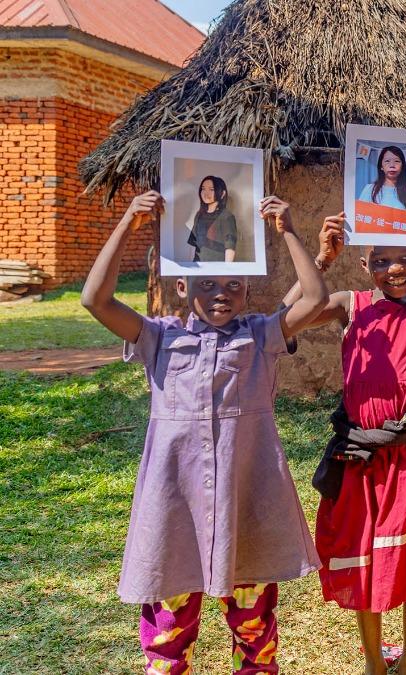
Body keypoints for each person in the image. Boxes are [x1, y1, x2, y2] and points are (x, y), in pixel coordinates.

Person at [81, 191, 328, 673]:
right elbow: (96, 299)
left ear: (247, 289)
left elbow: (316, 298)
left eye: (234, 284)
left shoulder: (258, 336)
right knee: (168, 634)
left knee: (255, 630)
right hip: (176, 513)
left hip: (246, 509)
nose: (221, 293)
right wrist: (130, 223)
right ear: (178, 288)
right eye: (206, 283)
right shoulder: (157, 338)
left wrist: (290, 231)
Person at [284, 207, 406, 675]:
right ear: (366, 265)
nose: (396, 269)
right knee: (366, 559)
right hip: (361, 457)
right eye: (382, 260)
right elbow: (287, 317)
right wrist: (322, 260)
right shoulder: (350, 305)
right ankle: (374, 663)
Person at [189, 175, 238, 263]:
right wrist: (188, 271)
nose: (206, 193)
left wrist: (226, 271)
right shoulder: (199, 215)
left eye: (211, 189)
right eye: (203, 189)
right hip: (197, 268)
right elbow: (193, 244)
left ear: (222, 194)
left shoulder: (227, 216)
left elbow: (230, 247)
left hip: (217, 269)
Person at [357, 145, 406, 212]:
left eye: (397, 161)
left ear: (402, 167)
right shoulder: (369, 190)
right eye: (387, 161)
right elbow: (360, 216)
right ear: (381, 166)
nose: (392, 165)